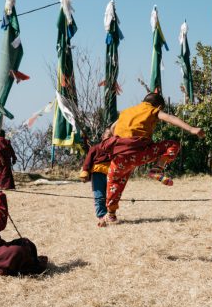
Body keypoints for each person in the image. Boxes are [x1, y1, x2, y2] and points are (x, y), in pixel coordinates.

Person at [102, 93, 205, 223]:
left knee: (114, 182)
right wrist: (191, 129)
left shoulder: (126, 111)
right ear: (160, 106)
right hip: (140, 154)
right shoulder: (152, 110)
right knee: (173, 145)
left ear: (143, 101)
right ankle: (157, 168)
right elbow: (169, 118)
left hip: (119, 158)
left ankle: (111, 214)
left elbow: (112, 128)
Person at [79, 128, 113, 227]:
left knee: (111, 196)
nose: (110, 137)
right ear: (103, 137)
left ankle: (110, 214)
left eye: (112, 135)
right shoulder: (95, 148)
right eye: (108, 135)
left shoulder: (116, 149)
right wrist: (85, 171)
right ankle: (102, 216)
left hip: (112, 173)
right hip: (97, 174)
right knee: (99, 196)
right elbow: (88, 161)